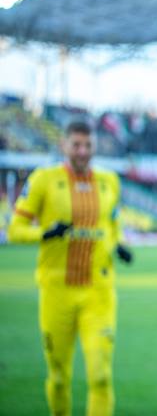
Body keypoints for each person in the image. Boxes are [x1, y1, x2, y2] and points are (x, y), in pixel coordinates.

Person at [8, 121, 132, 416]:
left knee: (101, 376)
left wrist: (119, 245)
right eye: (76, 145)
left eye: (88, 145)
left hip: (98, 292)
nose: (83, 151)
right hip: (56, 291)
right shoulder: (43, 180)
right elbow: (15, 230)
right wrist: (46, 233)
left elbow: (112, 226)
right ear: (63, 145)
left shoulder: (109, 181)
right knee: (59, 377)